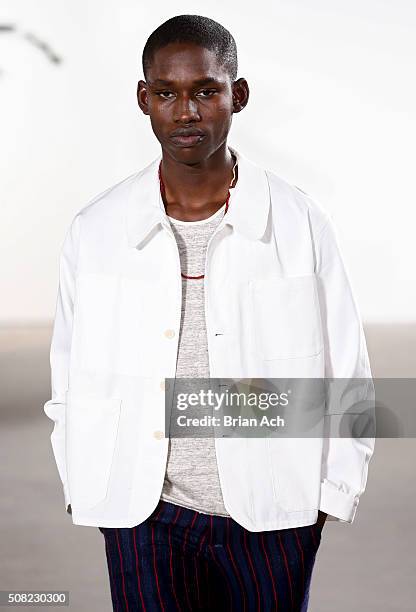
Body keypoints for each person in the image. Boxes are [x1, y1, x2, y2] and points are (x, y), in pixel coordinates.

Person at [43, 14, 375, 612]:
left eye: (205, 91)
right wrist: (82, 477)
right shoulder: (96, 230)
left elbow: (347, 365)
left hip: (272, 512)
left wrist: (330, 493)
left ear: (237, 96)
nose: (186, 111)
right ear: (144, 100)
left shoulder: (299, 224)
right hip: (144, 513)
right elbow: (70, 368)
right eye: (166, 93)